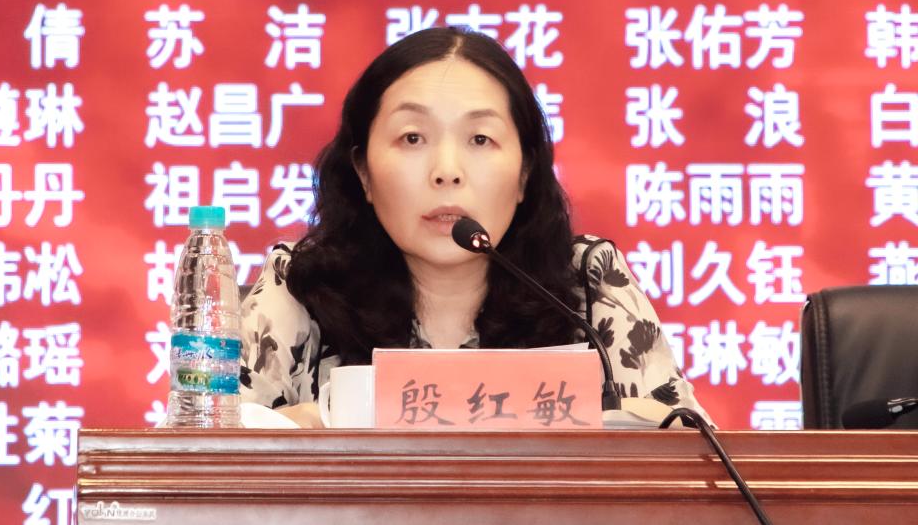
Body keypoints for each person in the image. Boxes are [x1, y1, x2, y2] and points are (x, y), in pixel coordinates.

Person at [240, 27, 712, 428]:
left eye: (480, 139)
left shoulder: (586, 282)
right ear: (363, 172)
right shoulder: (301, 285)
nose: (447, 171)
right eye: (412, 138)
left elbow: (699, 457)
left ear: (525, 173)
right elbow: (213, 452)